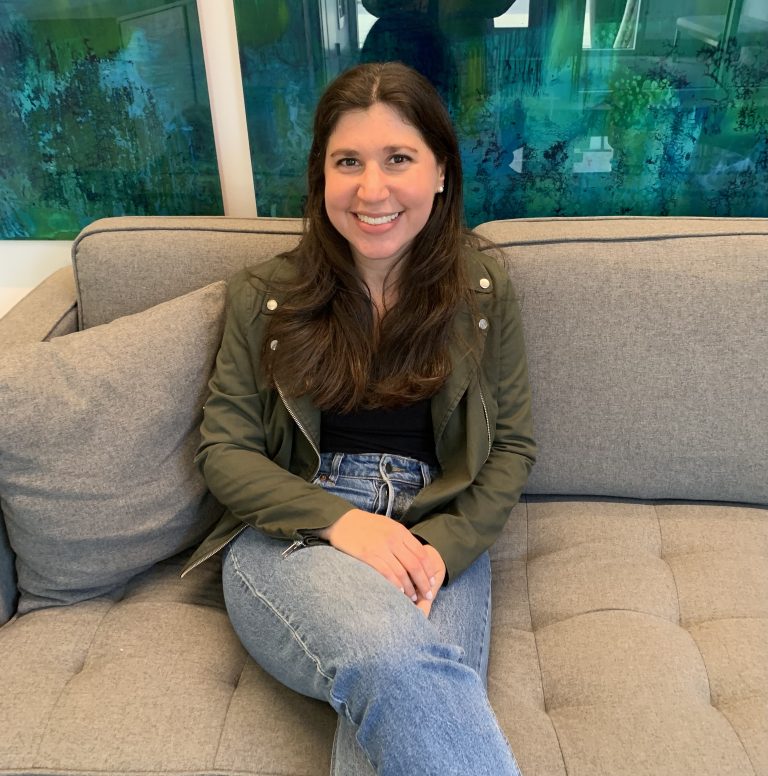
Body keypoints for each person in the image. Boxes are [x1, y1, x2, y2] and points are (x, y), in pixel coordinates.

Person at [182, 61, 536, 776]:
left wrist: (446, 547)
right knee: (393, 658)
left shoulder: (484, 289)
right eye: (348, 162)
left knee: (404, 690)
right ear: (321, 178)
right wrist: (342, 521)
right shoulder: (267, 295)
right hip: (297, 534)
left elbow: (513, 446)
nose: (372, 189)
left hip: (434, 525)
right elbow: (225, 450)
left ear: (440, 173)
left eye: (398, 159)